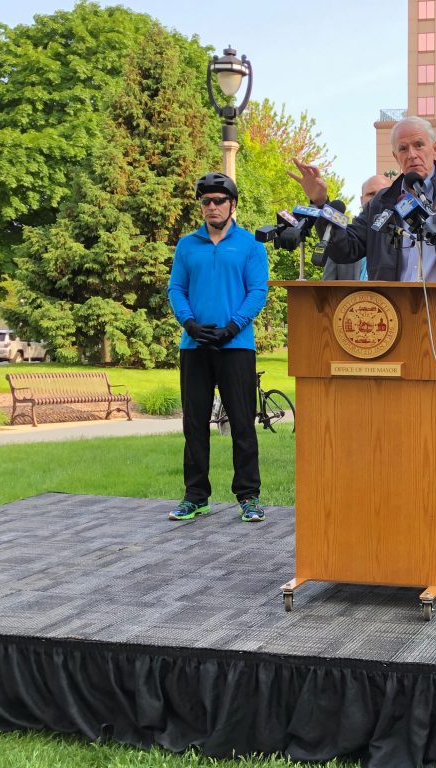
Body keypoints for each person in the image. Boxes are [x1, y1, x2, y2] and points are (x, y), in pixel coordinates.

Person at [289, 77, 436, 402]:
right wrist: (321, 205)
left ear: (435, 149)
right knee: (401, 413)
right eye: (403, 149)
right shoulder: (382, 203)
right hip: (393, 322)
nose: (412, 154)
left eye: (419, 145)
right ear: (395, 157)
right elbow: (345, 246)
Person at [167, 172, 270, 523]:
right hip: (194, 346)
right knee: (194, 424)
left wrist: (233, 326)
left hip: (236, 345)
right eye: (206, 201)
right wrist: (189, 323)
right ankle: (195, 496)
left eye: (218, 201)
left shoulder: (251, 246)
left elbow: (258, 291)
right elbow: (176, 289)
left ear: (232, 205)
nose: (211, 206)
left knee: (242, 423)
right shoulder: (186, 245)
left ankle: (249, 497)